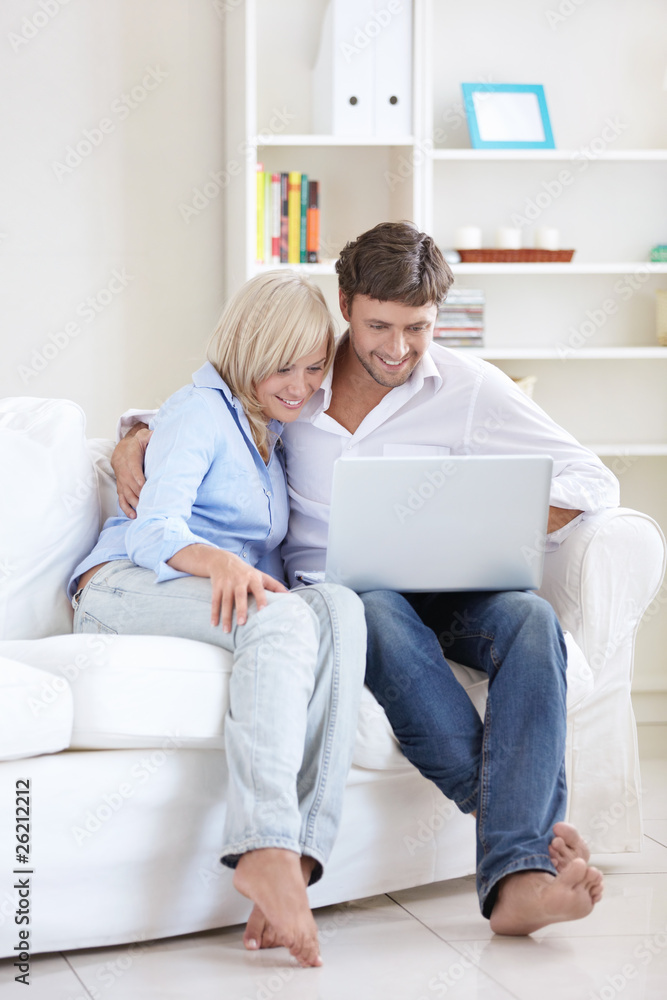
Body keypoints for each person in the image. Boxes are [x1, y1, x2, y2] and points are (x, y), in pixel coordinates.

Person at [114, 222, 618, 936]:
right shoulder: (299, 379)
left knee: (532, 621)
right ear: (345, 304)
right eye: (379, 324)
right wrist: (134, 438)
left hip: (454, 584)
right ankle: (523, 861)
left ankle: (520, 863)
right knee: (371, 608)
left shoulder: (468, 386)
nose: (396, 347)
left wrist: (490, 506)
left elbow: (593, 480)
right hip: (349, 593)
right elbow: (209, 406)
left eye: (416, 328)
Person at [68, 270, 367, 968]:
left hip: (202, 587)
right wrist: (223, 563)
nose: (298, 385)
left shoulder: (274, 426)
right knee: (282, 617)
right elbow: (152, 532)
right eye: (280, 367)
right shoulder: (200, 413)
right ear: (245, 353)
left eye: (313, 367)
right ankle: (264, 844)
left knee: (343, 609)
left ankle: (298, 860)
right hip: (123, 586)